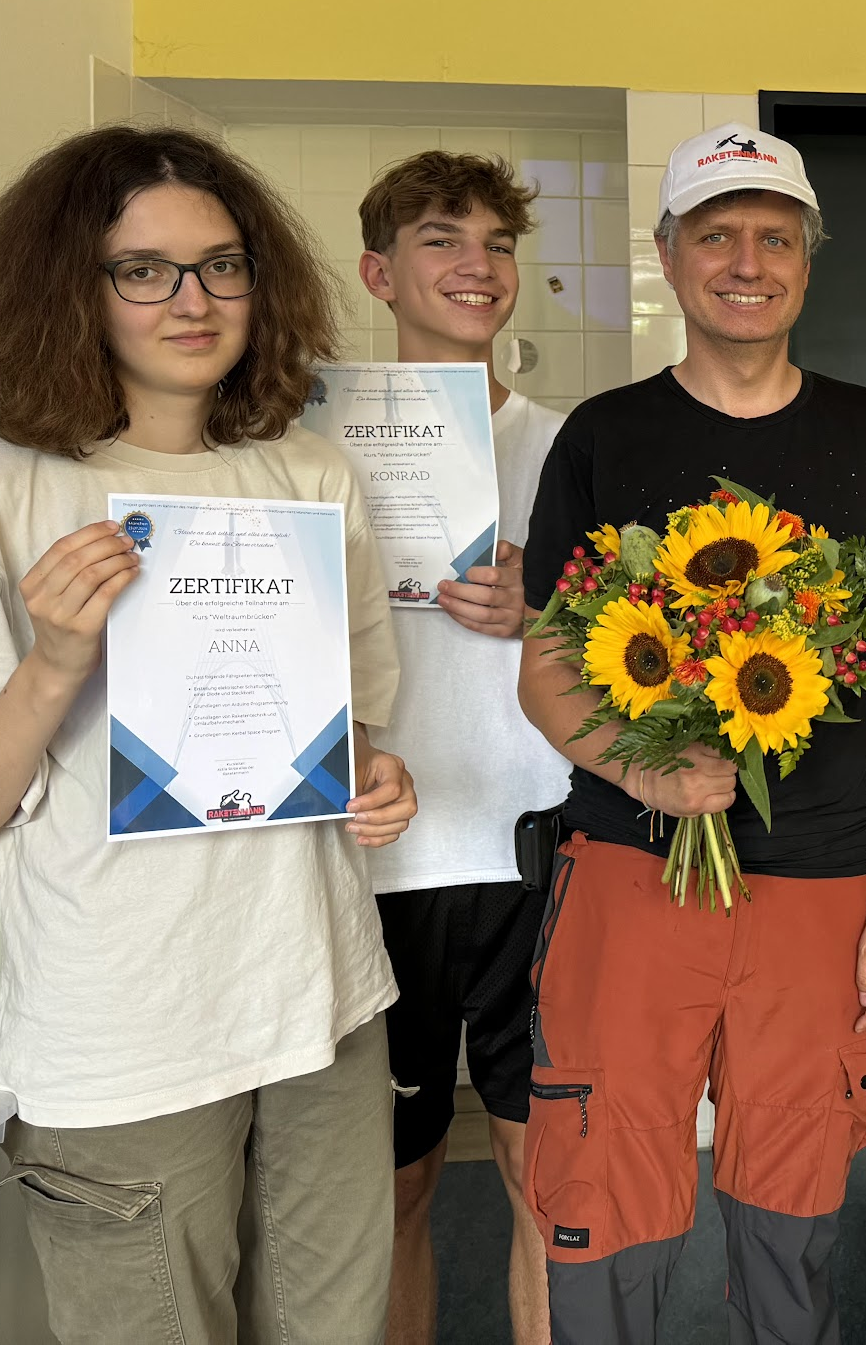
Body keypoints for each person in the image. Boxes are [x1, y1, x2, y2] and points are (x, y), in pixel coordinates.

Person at [0, 126, 418, 1343]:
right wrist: (58, 660)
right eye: (145, 269)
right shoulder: (0, 490)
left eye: (224, 266)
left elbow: (352, 735)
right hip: (125, 1039)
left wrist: (375, 782)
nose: (194, 299)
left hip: (321, 1007)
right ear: (71, 290)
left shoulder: (309, 473)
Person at [514, 124, 866, 1343]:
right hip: (631, 877)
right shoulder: (602, 435)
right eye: (717, 235)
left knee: (796, 1177)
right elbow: (548, 674)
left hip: (824, 884)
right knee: (605, 1168)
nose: (746, 260)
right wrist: (646, 762)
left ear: (806, 259)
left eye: (774, 236)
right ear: (667, 254)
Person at [357, 152, 567, 1345]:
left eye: (494, 244)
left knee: (547, 1179)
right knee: (396, 1186)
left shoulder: (574, 444)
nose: (475, 266)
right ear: (381, 272)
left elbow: (647, 645)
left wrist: (547, 605)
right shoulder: (304, 448)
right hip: (378, 862)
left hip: (532, 843)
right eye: (442, 240)